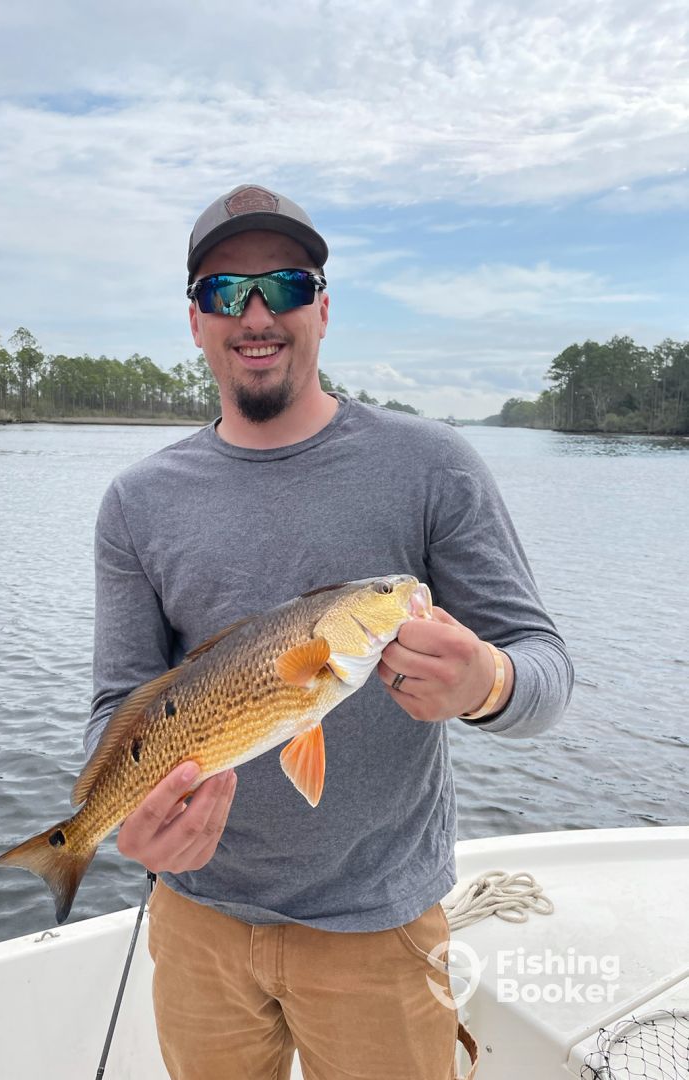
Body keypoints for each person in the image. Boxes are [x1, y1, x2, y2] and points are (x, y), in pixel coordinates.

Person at [87, 184, 574, 1080]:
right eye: (225, 291)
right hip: (194, 922)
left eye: (285, 284)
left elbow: (546, 670)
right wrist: (132, 822)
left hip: (380, 928)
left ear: (323, 307)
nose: (256, 313)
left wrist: (488, 684)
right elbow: (122, 698)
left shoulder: (432, 464)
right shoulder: (136, 501)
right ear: (195, 321)